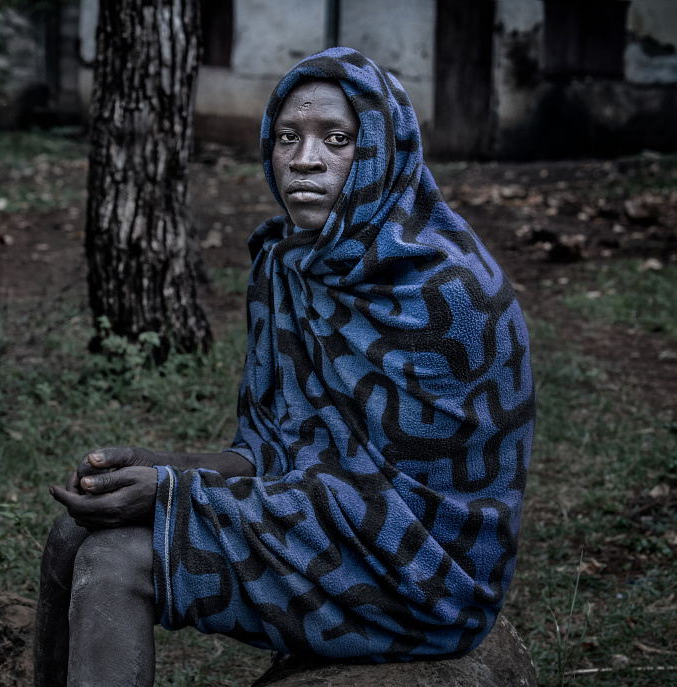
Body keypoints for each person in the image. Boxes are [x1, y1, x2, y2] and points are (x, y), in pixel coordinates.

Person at [35, 47, 535, 686]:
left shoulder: (448, 294)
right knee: (68, 537)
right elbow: (276, 449)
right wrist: (160, 469)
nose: (305, 160)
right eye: (289, 137)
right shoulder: (286, 266)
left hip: (425, 573)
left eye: (338, 140)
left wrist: (174, 493)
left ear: (384, 149)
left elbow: (390, 503)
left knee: (114, 563)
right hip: (328, 521)